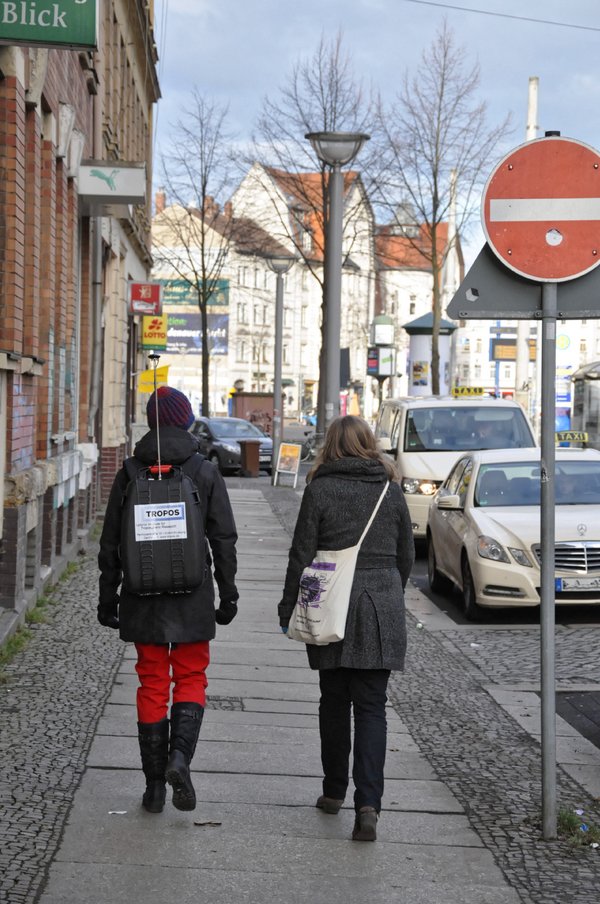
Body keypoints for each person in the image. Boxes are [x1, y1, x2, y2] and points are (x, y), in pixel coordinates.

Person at [97, 385, 239, 815]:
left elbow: (110, 544)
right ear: (184, 419)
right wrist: (228, 593)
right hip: (192, 595)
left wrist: (109, 598)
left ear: (151, 421)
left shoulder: (129, 471)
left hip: (143, 599)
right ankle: (180, 759)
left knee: (152, 683)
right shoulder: (203, 470)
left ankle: (154, 788)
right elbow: (224, 539)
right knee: (192, 677)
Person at [278, 415, 415, 842]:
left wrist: (288, 608)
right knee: (372, 706)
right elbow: (406, 555)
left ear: (330, 447)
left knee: (333, 701)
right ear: (369, 444)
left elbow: (301, 555)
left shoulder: (320, 488)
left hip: (330, 604)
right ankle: (368, 805)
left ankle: (334, 791)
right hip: (379, 607)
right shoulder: (389, 491)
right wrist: (389, 593)